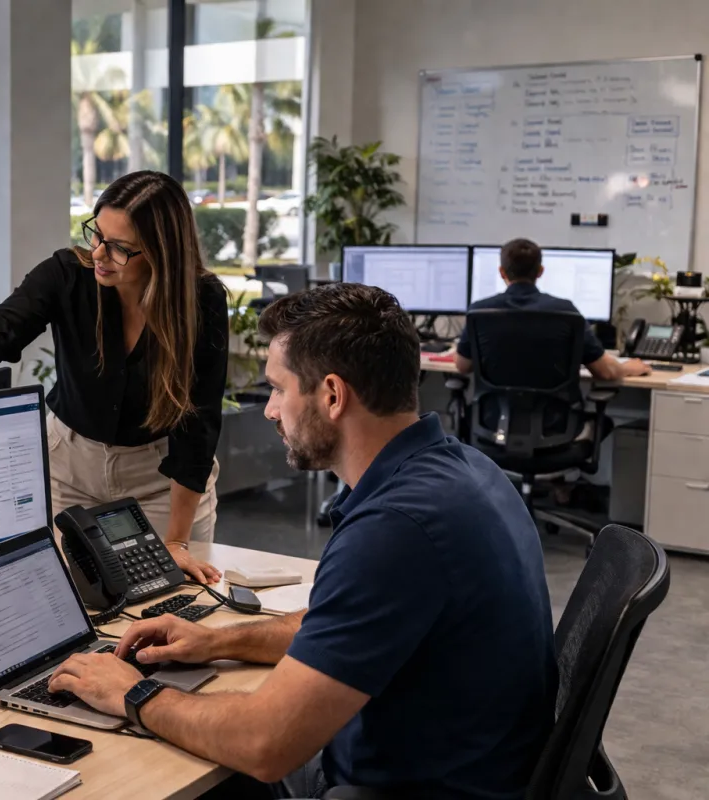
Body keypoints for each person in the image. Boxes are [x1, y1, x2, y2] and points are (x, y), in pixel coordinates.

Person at [45, 284, 558, 799]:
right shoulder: (467, 470)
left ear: (332, 395)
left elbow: (265, 744)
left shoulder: (397, 529)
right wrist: (219, 641)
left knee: (148, 771)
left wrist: (131, 692)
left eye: (278, 389)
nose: (270, 411)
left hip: (408, 789)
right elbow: (347, 624)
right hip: (470, 769)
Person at [0, 170, 228, 583]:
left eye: (121, 248)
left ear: (163, 253)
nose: (100, 254)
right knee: (60, 601)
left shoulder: (201, 301)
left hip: (161, 484)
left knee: (169, 610)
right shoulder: (68, 274)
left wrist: (176, 542)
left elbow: (198, 424)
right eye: (97, 234)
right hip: (69, 470)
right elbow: (7, 320)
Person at [456, 238, 650, 380]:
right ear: (540, 271)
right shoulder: (566, 312)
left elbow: (463, 366)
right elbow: (606, 372)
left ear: (501, 272)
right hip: (554, 426)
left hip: (493, 422)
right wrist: (626, 367)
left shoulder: (480, 312)